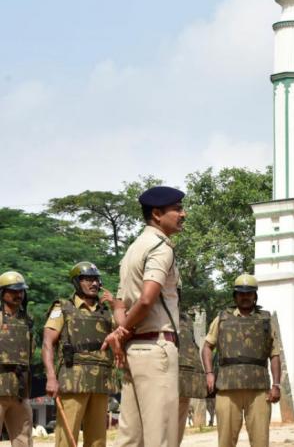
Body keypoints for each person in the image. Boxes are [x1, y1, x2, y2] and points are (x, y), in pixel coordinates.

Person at [102, 185, 186, 447]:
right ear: (157, 214)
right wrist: (121, 332)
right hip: (156, 349)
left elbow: (120, 304)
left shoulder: (133, 249)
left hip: (133, 350)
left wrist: (122, 330)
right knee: (160, 437)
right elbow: (147, 299)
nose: (183, 214)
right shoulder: (160, 247)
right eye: (177, 209)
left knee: (131, 438)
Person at [42, 262, 117, 447]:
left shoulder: (106, 311)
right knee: (67, 439)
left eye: (96, 279)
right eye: (88, 279)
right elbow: (47, 343)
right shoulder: (62, 308)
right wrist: (51, 377)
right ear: (76, 282)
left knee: (98, 441)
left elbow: (124, 333)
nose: (94, 283)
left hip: (100, 381)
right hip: (72, 380)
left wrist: (116, 306)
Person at [202, 274, 282, 447]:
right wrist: (209, 373)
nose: (245, 297)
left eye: (249, 293)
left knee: (261, 442)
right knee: (225, 442)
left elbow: (275, 354)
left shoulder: (265, 320)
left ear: (255, 296)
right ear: (235, 296)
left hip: (259, 390)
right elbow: (207, 347)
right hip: (227, 388)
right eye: (241, 293)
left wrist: (276, 385)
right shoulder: (222, 318)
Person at [0, 271, 32, 447]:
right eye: (13, 291)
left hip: (20, 390)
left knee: (23, 440)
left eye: (21, 291)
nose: (18, 294)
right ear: (2, 293)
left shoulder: (27, 320)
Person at [177, 305, 207, 445]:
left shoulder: (186, 319)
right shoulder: (156, 314)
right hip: (166, 375)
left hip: (184, 377)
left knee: (177, 424)